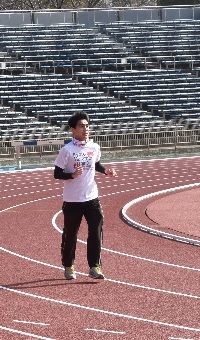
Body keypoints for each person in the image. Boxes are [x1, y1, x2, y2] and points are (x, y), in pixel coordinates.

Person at [54, 111, 117, 280]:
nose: (85, 129)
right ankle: (69, 266)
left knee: (96, 232)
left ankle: (95, 266)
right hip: (72, 200)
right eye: (81, 126)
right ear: (72, 129)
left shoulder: (94, 147)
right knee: (70, 234)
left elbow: (95, 164)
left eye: (87, 126)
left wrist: (105, 171)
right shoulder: (66, 150)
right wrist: (71, 175)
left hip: (92, 198)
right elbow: (57, 173)